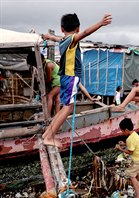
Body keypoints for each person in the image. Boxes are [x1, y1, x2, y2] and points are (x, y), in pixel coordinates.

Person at [41, 13, 112, 147]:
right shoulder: (73, 40)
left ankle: (47, 134)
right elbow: (85, 32)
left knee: (65, 107)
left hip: (66, 78)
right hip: (70, 76)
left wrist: (49, 36)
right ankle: (49, 137)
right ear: (78, 28)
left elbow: (57, 39)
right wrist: (100, 23)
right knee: (67, 108)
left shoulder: (63, 41)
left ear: (62, 28)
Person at [115, 118, 139, 198]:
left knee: (131, 175)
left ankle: (138, 195)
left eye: (122, 131)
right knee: (134, 171)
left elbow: (130, 152)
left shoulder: (129, 139)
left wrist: (120, 149)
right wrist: (124, 144)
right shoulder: (134, 134)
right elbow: (133, 145)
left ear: (126, 130)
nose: (122, 132)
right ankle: (138, 184)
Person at [27, 53, 60, 117]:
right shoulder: (46, 63)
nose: (36, 66)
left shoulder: (48, 65)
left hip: (58, 82)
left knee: (50, 96)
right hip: (59, 81)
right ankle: (57, 116)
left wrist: (42, 82)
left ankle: (48, 116)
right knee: (57, 99)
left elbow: (49, 79)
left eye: (35, 64)